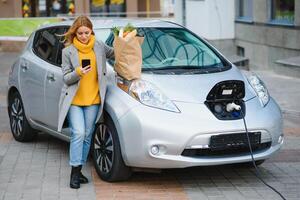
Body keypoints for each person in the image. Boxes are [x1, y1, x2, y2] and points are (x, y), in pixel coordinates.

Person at [57, 15, 114, 189]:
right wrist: (78, 72)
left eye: (86, 32)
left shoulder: (99, 45)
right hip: (75, 100)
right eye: (80, 33)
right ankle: (74, 173)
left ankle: (79, 170)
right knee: (79, 133)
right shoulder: (68, 51)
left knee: (88, 135)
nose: (83, 36)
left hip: (94, 99)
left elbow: (115, 53)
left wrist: (126, 40)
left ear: (91, 31)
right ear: (75, 32)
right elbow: (66, 78)